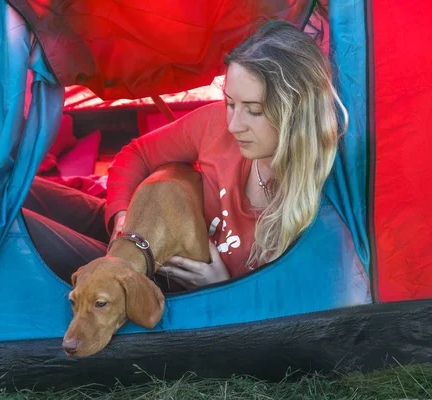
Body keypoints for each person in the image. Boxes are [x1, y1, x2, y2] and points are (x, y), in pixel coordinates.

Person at [23, 20, 348, 289]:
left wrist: (223, 285)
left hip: (153, 281)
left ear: (296, 114)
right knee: (15, 190)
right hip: (144, 225)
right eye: (230, 103)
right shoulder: (215, 124)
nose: (234, 125)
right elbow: (136, 154)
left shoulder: (322, 204)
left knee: (16, 228)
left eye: (253, 110)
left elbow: (290, 304)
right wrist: (122, 217)